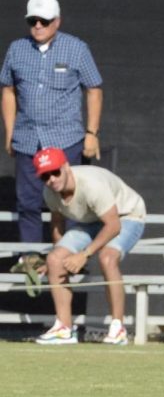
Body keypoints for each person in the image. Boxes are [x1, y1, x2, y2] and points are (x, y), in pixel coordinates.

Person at [1, 0, 103, 275]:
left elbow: (94, 88)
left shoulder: (76, 48)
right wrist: (10, 131)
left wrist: (91, 132)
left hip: (65, 137)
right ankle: (31, 258)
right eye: (32, 20)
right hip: (27, 138)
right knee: (28, 201)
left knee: (69, 200)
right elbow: (7, 89)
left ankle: (70, 256)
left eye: (44, 21)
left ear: (56, 21)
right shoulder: (17, 49)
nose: (37, 26)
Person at [32, 148, 145, 345]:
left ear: (66, 167)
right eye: (45, 176)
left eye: (55, 172)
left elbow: (113, 226)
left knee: (107, 258)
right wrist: (58, 257)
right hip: (90, 220)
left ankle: (118, 328)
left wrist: (84, 255)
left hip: (126, 216)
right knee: (54, 259)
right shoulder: (49, 191)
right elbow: (57, 223)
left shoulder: (92, 185)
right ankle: (64, 329)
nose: (51, 179)